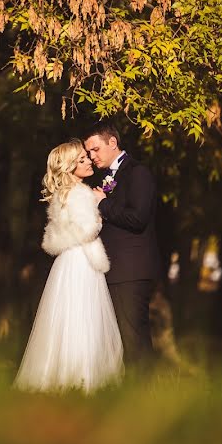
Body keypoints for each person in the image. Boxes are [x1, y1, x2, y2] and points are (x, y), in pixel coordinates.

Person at [13, 139, 124, 393]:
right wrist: (100, 205)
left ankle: (60, 376)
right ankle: (81, 378)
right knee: (84, 316)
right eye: (82, 159)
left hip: (67, 262)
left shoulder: (62, 194)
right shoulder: (81, 193)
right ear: (71, 166)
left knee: (66, 317)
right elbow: (88, 230)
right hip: (82, 262)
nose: (88, 162)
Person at [84, 121, 161, 368]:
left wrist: (102, 204)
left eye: (95, 149)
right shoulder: (108, 177)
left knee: (133, 337)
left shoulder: (137, 172)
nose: (91, 156)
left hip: (131, 270)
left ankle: (144, 395)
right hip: (114, 270)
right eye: (88, 152)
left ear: (113, 143)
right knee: (120, 338)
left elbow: (137, 218)